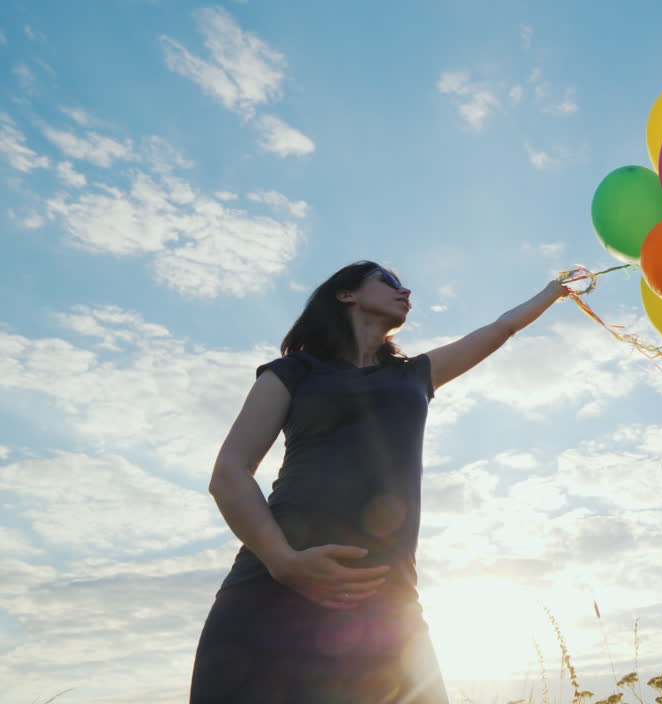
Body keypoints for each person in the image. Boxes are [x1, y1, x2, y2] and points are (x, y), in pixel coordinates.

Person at [190, 261, 568, 703]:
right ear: (345, 294)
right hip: (271, 596)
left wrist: (553, 291)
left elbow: (500, 329)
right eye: (389, 282)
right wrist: (282, 561)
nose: (405, 291)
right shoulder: (293, 372)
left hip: (386, 606)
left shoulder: (413, 375)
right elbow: (229, 472)